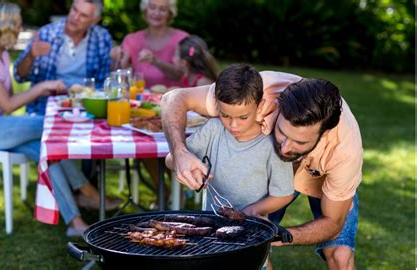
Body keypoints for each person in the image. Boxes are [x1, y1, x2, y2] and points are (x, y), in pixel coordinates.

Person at [161, 71, 362, 269]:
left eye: (299, 142)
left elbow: (333, 223)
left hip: (322, 174)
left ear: (323, 134)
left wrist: (279, 235)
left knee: (339, 254)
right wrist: (180, 154)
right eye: (282, 132)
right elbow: (175, 97)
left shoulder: (344, 152)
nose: (284, 148)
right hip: (274, 173)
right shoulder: (259, 91)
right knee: (246, 246)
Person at [0, 2, 115, 238]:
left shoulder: (1, 55)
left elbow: (5, 105)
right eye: (17, 24)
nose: (19, 29)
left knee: (46, 151)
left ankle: (76, 222)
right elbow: (7, 105)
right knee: (47, 125)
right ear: (4, 27)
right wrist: (42, 87)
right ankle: (86, 189)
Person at [166, 64, 294, 218]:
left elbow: (284, 194)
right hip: (211, 222)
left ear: (260, 106)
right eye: (225, 115)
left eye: (243, 117)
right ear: (217, 104)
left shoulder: (272, 144)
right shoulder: (213, 130)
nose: (233, 125)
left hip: (252, 227)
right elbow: (169, 160)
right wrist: (184, 164)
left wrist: (251, 211)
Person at [14, 0, 112, 116]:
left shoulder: (102, 38)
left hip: (87, 110)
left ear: (94, 20)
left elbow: (103, 83)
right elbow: (19, 76)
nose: (75, 17)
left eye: (83, 15)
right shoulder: (46, 34)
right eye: (74, 10)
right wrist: (30, 56)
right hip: (45, 109)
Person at [110, 0, 188, 88]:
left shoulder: (182, 39)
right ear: (145, 10)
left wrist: (155, 61)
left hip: (172, 98)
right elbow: (119, 73)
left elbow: (179, 75)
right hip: (140, 98)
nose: (156, 13)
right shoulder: (131, 39)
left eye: (163, 9)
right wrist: (115, 58)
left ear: (170, 13)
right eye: (152, 7)